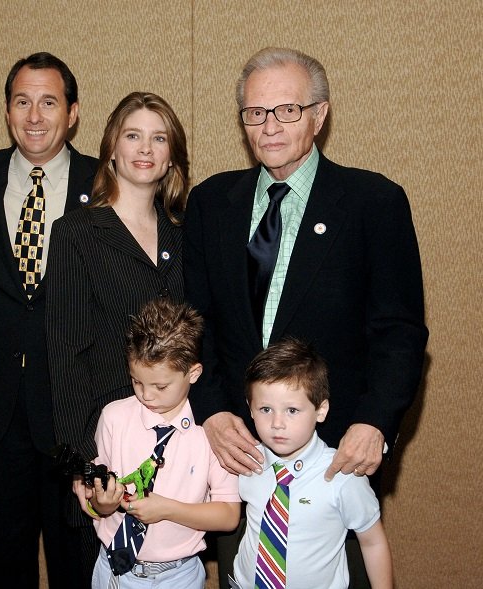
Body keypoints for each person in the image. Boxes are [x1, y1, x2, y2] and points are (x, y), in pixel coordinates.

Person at [183, 47, 428, 587]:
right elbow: (195, 323)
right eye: (255, 112)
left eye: (287, 110)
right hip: (240, 456)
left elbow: (400, 333)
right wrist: (212, 411)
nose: (269, 126)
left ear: (319, 115)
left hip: (337, 454)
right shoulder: (210, 202)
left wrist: (376, 423)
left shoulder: (374, 202)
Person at [0, 52, 98, 588]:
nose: (35, 116)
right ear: (8, 112)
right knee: (3, 567)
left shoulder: (104, 182)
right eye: (22, 102)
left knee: (75, 567)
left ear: (73, 113)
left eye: (49, 102)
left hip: (75, 415)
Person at [46, 91, 189, 577]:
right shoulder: (77, 234)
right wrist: (84, 462)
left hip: (179, 444)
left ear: (172, 155)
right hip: (110, 444)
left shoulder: (184, 233)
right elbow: (64, 356)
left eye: (158, 137)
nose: (145, 148)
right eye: (133, 135)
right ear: (112, 148)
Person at [86, 298, 241, 588]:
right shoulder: (113, 418)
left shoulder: (211, 433)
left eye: (160, 386)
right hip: (112, 569)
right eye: (136, 381)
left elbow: (229, 515)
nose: (146, 395)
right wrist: (102, 503)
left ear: (193, 374)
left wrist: (167, 509)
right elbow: (97, 503)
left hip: (178, 575)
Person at [233, 338, 392, 589]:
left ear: (321, 410)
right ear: (250, 409)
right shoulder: (246, 461)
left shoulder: (343, 475)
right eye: (265, 409)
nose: (277, 423)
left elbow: (373, 542)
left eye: (292, 410)